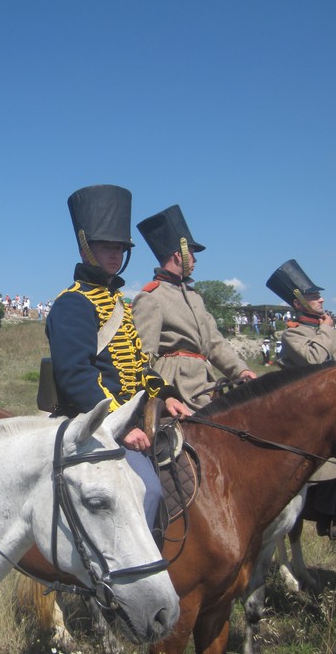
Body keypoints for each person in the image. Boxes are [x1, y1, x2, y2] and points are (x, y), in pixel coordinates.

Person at [45, 184, 190, 533]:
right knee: (149, 491)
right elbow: (76, 375)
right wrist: (118, 427)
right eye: (106, 246)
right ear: (86, 249)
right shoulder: (73, 303)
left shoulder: (118, 303)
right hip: (92, 424)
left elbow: (139, 367)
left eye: (120, 248)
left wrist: (166, 395)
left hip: (129, 418)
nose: (115, 254)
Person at [131, 205, 257, 410]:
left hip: (205, 382)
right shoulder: (151, 297)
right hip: (175, 385)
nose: (195, 258)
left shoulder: (194, 297)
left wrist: (240, 371)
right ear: (178, 254)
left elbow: (215, 342)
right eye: (191, 252)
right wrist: (161, 394)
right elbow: (143, 358)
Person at [266, 259, 336, 538]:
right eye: (314, 295)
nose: (321, 299)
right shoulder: (292, 334)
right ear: (299, 301)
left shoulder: (328, 332)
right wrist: (327, 330)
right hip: (301, 411)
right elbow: (314, 358)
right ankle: (328, 515)